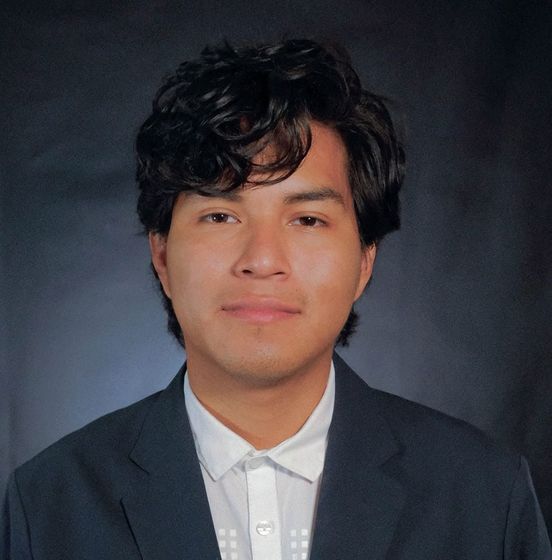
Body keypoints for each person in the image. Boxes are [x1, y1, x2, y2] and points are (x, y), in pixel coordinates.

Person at [2, 38, 550, 560]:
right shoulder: (49, 503)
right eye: (221, 215)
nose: (262, 259)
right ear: (163, 256)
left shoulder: (485, 496)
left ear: (364, 261)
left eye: (307, 219)